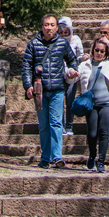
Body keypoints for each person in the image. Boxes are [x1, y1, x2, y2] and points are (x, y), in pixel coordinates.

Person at [22, 14, 79, 168]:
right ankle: (45, 157)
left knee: (56, 123)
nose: (49, 28)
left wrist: (73, 70)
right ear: (42, 27)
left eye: (52, 25)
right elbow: (26, 65)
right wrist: (28, 85)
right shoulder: (33, 44)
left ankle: (56, 157)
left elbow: (72, 59)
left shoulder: (62, 43)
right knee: (43, 125)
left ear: (56, 27)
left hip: (57, 90)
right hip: (40, 91)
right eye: (46, 25)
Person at [78, 36, 109, 172]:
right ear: (92, 50)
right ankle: (92, 154)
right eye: (97, 50)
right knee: (92, 133)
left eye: (102, 51)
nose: (99, 53)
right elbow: (72, 78)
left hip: (107, 103)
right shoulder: (85, 65)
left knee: (104, 132)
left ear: (105, 53)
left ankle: (101, 161)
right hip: (91, 104)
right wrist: (71, 72)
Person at [58, 16, 84, 136]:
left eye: (66, 32)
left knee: (70, 99)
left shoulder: (76, 40)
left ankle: (69, 126)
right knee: (59, 100)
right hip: (59, 73)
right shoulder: (56, 41)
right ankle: (61, 125)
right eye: (61, 32)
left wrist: (81, 59)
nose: (63, 34)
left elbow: (79, 55)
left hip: (72, 75)